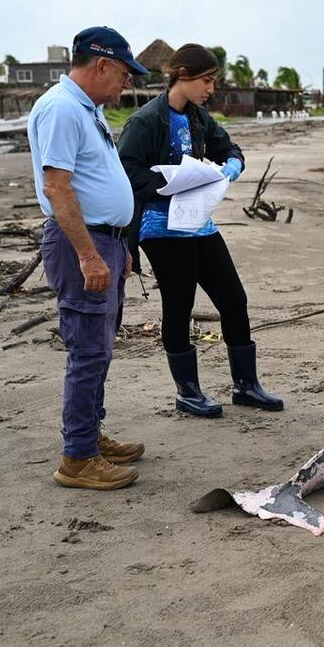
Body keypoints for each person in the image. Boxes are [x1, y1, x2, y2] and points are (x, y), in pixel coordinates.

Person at [117, 44, 282, 418]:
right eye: (206, 80)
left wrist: (234, 163)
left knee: (234, 300)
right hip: (160, 228)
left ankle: (246, 386)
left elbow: (229, 146)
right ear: (182, 76)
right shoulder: (145, 121)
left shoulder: (198, 117)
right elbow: (125, 172)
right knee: (179, 306)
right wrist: (170, 182)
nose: (210, 88)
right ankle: (188, 392)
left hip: (199, 225)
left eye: (213, 81)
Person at [28, 26, 149, 490]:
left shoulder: (85, 109)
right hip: (85, 243)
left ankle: (90, 436)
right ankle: (77, 457)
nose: (127, 83)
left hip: (106, 242)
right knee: (88, 350)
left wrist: (118, 248)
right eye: (123, 73)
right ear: (101, 65)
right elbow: (57, 186)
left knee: (99, 348)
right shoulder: (62, 109)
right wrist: (89, 254)